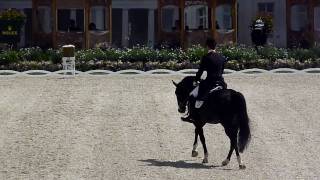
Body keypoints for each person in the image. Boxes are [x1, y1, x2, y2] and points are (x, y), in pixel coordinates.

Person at [181, 37, 227, 122]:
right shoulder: (222, 57)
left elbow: (200, 71)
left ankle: (191, 115)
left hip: (210, 82)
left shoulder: (206, 57)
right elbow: (222, 71)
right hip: (221, 82)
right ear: (215, 46)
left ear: (207, 46)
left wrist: (196, 80)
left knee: (192, 95)